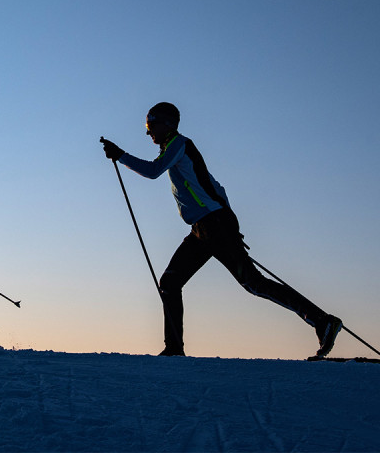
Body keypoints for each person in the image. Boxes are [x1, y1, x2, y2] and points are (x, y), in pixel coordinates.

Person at [100, 102, 341, 357]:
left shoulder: (179, 144)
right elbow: (216, 188)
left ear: (167, 124)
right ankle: (173, 349)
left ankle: (322, 321)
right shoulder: (173, 149)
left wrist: (120, 155)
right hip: (204, 229)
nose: (148, 132)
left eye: (150, 125)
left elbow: (153, 171)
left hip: (213, 226)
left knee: (253, 283)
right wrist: (230, 225)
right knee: (170, 282)